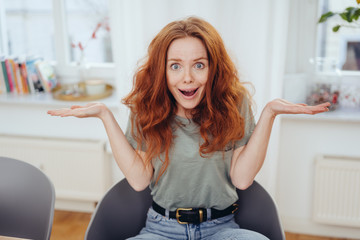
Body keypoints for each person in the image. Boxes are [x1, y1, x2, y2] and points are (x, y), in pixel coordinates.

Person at [48, 16, 330, 240]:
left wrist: (269, 113)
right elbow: (138, 180)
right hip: (161, 229)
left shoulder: (234, 103)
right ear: (162, 70)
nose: (187, 78)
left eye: (198, 65)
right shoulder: (147, 107)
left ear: (213, 68)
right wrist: (105, 116)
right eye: (175, 67)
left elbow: (242, 179)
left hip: (222, 229)